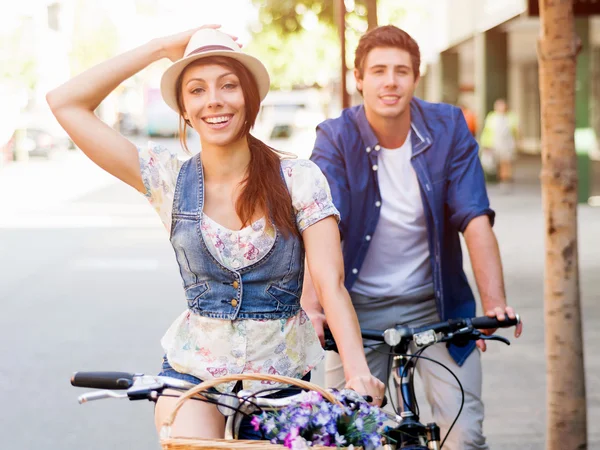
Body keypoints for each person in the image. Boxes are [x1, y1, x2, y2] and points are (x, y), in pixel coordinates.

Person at [46, 25, 384, 441]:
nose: (214, 101)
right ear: (184, 109)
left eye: (228, 86)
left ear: (249, 100)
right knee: (190, 445)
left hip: (281, 381)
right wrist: (157, 47)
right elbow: (65, 104)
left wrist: (357, 374)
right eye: (197, 90)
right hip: (193, 375)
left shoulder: (299, 178)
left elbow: (331, 285)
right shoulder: (167, 179)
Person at [301, 25, 523, 450]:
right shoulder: (336, 136)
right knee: (343, 435)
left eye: (401, 71)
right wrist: (312, 307)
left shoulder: (449, 126)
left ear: (415, 78)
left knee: (464, 437)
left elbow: (474, 217)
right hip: (355, 309)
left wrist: (494, 305)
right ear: (359, 79)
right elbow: (321, 223)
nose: (390, 81)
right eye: (379, 70)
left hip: (433, 304)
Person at [480, 98, 519, 186]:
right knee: (497, 162)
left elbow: (516, 131)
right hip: (494, 143)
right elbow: (487, 131)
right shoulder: (491, 117)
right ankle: (500, 178)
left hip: (507, 143)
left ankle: (505, 180)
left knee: (506, 162)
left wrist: (518, 142)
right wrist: (485, 144)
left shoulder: (511, 117)